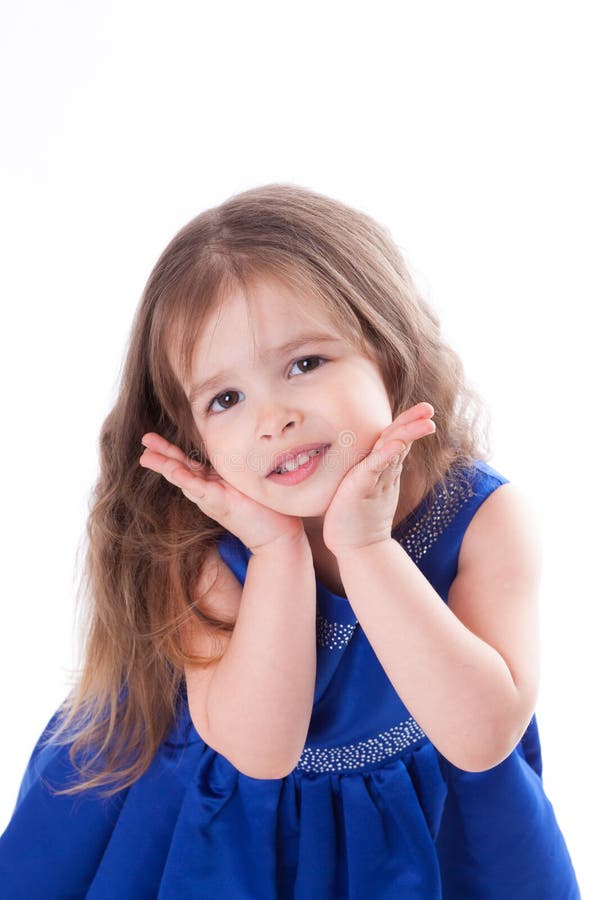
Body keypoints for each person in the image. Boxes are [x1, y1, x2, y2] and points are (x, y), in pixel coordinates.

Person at [0, 183, 580, 899]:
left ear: (387, 352)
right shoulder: (196, 543)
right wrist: (277, 552)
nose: (272, 419)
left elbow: (483, 735)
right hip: (230, 840)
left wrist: (366, 550)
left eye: (305, 364)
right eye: (226, 400)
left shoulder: (482, 518)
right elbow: (259, 750)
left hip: (421, 834)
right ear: (195, 440)